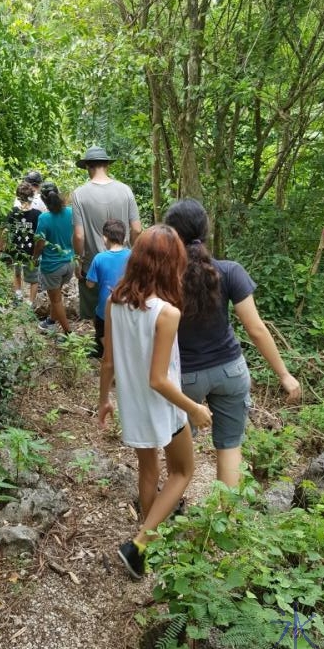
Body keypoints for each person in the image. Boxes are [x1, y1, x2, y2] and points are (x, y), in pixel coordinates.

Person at [98, 225, 212, 580]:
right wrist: (194, 408)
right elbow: (159, 379)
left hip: (132, 403)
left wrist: (104, 400)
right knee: (183, 471)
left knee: (148, 470)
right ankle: (139, 544)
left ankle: (145, 549)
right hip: (164, 405)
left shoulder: (114, 301)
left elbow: (108, 361)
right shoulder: (166, 313)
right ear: (170, 264)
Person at [163, 198, 301, 488]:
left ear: (171, 233)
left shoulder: (164, 276)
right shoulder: (230, 271)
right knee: (229, 446)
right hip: (230, 371)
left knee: (179, 451)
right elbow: (256, 329)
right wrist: (284, 375)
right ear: (206, 230)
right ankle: (225, 520)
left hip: (183, 376)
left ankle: (174, 510)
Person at [72, 145, 142, 356]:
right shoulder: (125, 190)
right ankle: (125, 348)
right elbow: (137, 228)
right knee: (127, 302)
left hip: (93, 260)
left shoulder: (79, 194)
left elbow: (79, 235)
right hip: (126, 259)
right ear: (107, 165)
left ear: (87, 167)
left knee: (98, 305)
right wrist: (133, 252)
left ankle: (102, 347)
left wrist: (79, 258)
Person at [34, 184, 75, 338]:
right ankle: (51, 321)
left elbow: (39, 242)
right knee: (56, 295)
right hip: (69, 263)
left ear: (44, 200)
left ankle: (68, 334)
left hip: (52, 265)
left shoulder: (44, 218)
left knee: (56, 300)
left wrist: (35, 258)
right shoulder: (71, 213)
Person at [86, 219, 131, 356]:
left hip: (105, 307)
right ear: (124, 238)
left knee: (100, 328)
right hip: (128, 305)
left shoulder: (99, 258)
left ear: (105, 238)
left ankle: (109, 353)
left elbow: (90, 284)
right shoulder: (133, 255)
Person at [0, 181, 41, 304]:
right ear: (32, 197)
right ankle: (31, 302)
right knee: (34, 279)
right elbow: (39, 236)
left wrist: (0, 246)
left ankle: (18, 296)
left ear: (18, 197)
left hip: (16, 250)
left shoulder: (13, 212)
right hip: (31, 252)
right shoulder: (37, 215)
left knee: (16, 274)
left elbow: (5, 231)